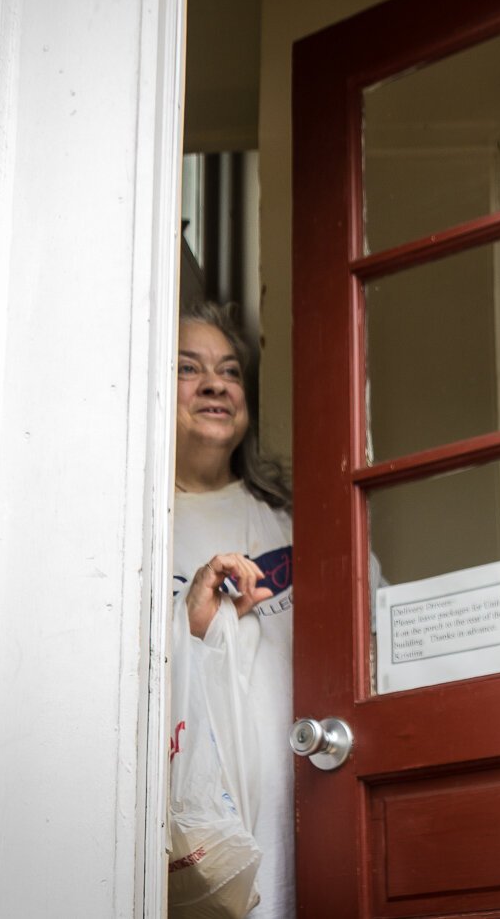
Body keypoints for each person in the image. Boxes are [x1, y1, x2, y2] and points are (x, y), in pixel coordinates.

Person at [173, 301, 295, 918]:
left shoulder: (295, 521)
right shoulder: (131, 534)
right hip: (200, 834)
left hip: (306, 802)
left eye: (230, 371)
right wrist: (192, 621)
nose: (216, 383)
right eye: (187, 368)